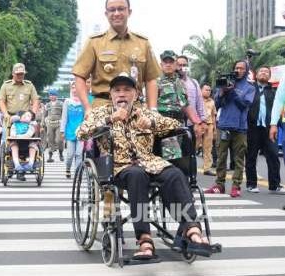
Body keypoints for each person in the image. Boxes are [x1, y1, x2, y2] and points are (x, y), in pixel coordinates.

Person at [77, 72, 212, 260]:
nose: (122, 94)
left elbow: (176, 125)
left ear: (136, 94)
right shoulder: (101, 113)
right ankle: (145, 239)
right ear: (111, 95)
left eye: (127, 90)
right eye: (117, 90)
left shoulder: (145, 112)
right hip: (118, 167)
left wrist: (152, 122)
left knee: (175, 174)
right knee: (136, 175)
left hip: (151, 162)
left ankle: (192, 231)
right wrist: (110, 120)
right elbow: (81, 133)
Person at [72, 0, 160, 113]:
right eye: (112, 10)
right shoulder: (94, 42)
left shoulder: (143, 43)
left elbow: (151, 79)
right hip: (103, 109)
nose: (117, 13)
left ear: (129, 12)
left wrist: (152, 109)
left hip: (136, 110)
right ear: (106, 14)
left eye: (121, 9)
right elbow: (79, 76)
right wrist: (87, 108)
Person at [205, 60, 255, 198]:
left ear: (246, 71)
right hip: (224, 126)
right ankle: (219, 185)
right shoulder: (224, 83)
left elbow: (244, 105)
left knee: (238, 159)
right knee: (221, 158)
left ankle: (236, 186)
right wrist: (222, 92)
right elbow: (217, 104)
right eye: (236, 68)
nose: (238, 70)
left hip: (240, 128)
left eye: (241, 68)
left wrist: (232, 91)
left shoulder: (250, 87)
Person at [0, 62, 40, 180]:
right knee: (9, 142)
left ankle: (21, 170)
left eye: (22, 74)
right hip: (11, 118)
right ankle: (10, 167)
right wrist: (6, 115)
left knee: (29, 141)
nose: (20, 76)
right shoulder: (6, 86)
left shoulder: (29, 86)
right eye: (18, 74)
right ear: (13, 74)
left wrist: (32, 114)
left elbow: (36, 100)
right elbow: (1, 101)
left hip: (25, 119)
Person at [245, 66, 283, 194]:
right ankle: (251, 184)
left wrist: (276, 125)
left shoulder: (274, 91)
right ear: (256, 75)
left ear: (269, 76)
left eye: (267, 72)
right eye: (261, 71)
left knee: (273, 155)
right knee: (251, 156)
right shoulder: (249, 89)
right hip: (252, 128)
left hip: (269, 128)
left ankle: (275, 185)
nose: (264, 73)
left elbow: (278, 109)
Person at [156, 50, 203, 137]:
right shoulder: (156, 82)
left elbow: (185, 105)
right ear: (161, 65)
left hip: (178, 125)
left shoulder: (180, 83)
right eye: (165, 62)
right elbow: (150, 106)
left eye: (171, 62)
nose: (168, 64)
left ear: (176, 65)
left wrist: (197, 122)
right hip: (162, 125)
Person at [176, 55, 206, 140]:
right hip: (176, 124)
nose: (182, 67)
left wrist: (202, 121)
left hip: (192, 124)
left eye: (184, 65)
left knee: (190, 151)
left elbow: (199, 103)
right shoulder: (171, 82)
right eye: (179, 65)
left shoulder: (194, 82)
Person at [60, 81, 85, 178]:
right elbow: (64, 117)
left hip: (81, 132)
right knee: (70, 154)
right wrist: (62, 131)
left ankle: (77, 173)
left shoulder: (84, 101)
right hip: (70, 132)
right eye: (73, 88)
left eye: (77, 88)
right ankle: (68, 168)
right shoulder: (67, 102)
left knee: (79, 154)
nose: (75, 90)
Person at [9, 110, 38, 179]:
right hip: (17, 143)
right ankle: (17, 164)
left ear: (31, 119)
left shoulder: (31, 126)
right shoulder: (14, 125)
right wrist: (15, 136)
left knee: (33, 146)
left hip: (27, 144)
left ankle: (30, 164)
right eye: (24, 115)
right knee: (14, 145)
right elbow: (12, 134)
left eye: (28, 116)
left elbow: (28, 135)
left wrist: (18, 136)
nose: (26, 116)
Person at [198, 84, 217, 176]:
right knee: (194, 146)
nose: (208, 91)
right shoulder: (197, 100)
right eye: (206, 90)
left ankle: (207, 168)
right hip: (198, 125)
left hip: (209, 125)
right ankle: (189, 167)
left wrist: (214, 129)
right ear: (201, 90)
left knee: (208, 148)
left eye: (209, 90)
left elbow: (214, 116)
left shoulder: (212, 102)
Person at [43, 89, 64, 162]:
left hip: (59, 123)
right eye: (51, 95)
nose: (52, 96)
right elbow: (44, 115)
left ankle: (61, 153)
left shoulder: (61, 104)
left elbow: (64, 114)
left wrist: (64, 123)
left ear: (57, 96)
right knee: (50, 139)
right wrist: (43, 124)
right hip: (50, 123)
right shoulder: (47, 105)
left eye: (54, 95)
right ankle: (50, 155)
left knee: (59, 140)